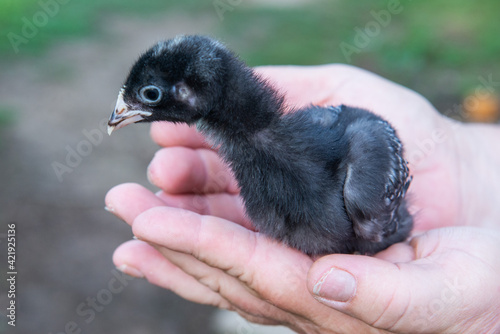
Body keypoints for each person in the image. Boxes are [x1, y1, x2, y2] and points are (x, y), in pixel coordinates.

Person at [105, 64, 500, 333]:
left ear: (192, 91)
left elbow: (371, 202)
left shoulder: (362, 171)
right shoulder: (262, 173)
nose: (120, 113)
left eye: (149, 94)